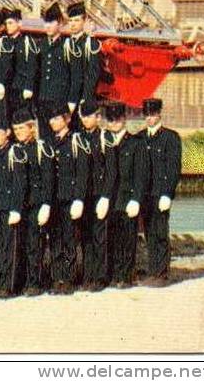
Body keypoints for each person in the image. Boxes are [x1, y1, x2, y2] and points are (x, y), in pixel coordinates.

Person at [47, 103, 90, 294]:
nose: (53, 122)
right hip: (53, 198)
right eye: (51, 119)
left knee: (70, 238)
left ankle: (70, 277)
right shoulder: (49, 142)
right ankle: (58, 276)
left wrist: (79, 198)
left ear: (67, 119)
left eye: (57, 118)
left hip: (69, 198)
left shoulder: (76, 141)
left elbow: (82, 172)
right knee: (55, 238)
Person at [139, 98, 182, 286]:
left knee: (161, 233)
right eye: (147, 115)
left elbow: (173, 168)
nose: (150, 118)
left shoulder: (170, 137)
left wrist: (168, 193)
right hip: (146, 194)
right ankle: (153, 270)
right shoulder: (140, 137)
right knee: (149, 233)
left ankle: (162, 273)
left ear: (159, 114)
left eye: (153, 114)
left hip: (160, 193)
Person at [13, 107, 54, 296]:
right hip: (20, 205)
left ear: (31, 128)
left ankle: (35, 282)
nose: (18, 133)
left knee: (34, 246)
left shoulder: (41, 148)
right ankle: (22, 281)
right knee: (20, 244)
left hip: (36, 204)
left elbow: (48, 179)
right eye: (15, 129)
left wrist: (46, 204)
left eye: (22, 128)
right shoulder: (16, 150)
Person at [80, 100, 117, 291]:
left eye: (90, 116)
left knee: (100, 236)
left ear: (98, 117)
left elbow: (111, 170)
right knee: (86, 236)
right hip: (84, 195)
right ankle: (88, 275)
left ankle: (101, 277)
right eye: (84, 117)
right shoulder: (79, 138)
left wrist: (106, 196)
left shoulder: (105, 137)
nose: (86, 120)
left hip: (99, 194)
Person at [0, 112, 26, 298]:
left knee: (9, 247)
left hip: (9, 205)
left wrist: (16, 208)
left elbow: (19, 183)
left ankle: (9, 286)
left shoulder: (14, 151)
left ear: (7, 133)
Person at [109, 102, 147, 288]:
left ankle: (126, 275)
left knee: (127, 238)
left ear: (124, 119)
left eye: (117, 119)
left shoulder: (135, 143)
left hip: (127, 198)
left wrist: (136, 199)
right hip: (110, 200)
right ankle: (115, 274)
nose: (114, 122)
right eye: (110, 119)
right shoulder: (106, 142)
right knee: (113, 238)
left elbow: (141, 175)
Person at [37, 3, 71, 140]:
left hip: (59, 100)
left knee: (61, 136)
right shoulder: (41, 44)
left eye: (51, 22)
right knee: (44, 136)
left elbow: (72, 74)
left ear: (60, 23)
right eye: (46, 23)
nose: (48, 26)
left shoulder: (67, 45)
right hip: (43, 98)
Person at [65, 2, 103, 118]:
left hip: (82, 99)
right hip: (66, 98)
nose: (72, 24)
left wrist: (85, 99)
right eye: (70, 21)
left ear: (84, 21)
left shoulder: (90, 44)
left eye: (76, 20)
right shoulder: (66, 43)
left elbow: (92, 74)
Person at [4, 8, 40, 116]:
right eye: (6, 23)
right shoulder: (5, 42)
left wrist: (28, 86)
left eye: (10, 23)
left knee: (22, 118)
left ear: (19, 23)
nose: (8, 26)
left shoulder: (26, 42)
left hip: (21, 87)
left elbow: (31, 66)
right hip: (8, 88)